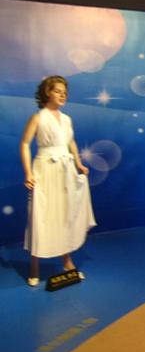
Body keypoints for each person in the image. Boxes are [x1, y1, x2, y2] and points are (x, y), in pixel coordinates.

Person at [20, 75, 96, 287]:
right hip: (45, 169)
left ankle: (66, 261)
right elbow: (25, 144)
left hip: (65, 170)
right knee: (40, 215)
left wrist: (78, 163)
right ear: (47, 93)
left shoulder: (67, 119)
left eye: (64, 92)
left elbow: (71, 142)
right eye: (57, 91)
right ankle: (34, 266)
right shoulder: (38, 118)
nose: (62, 95)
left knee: (65, 213)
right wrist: (28, 173)